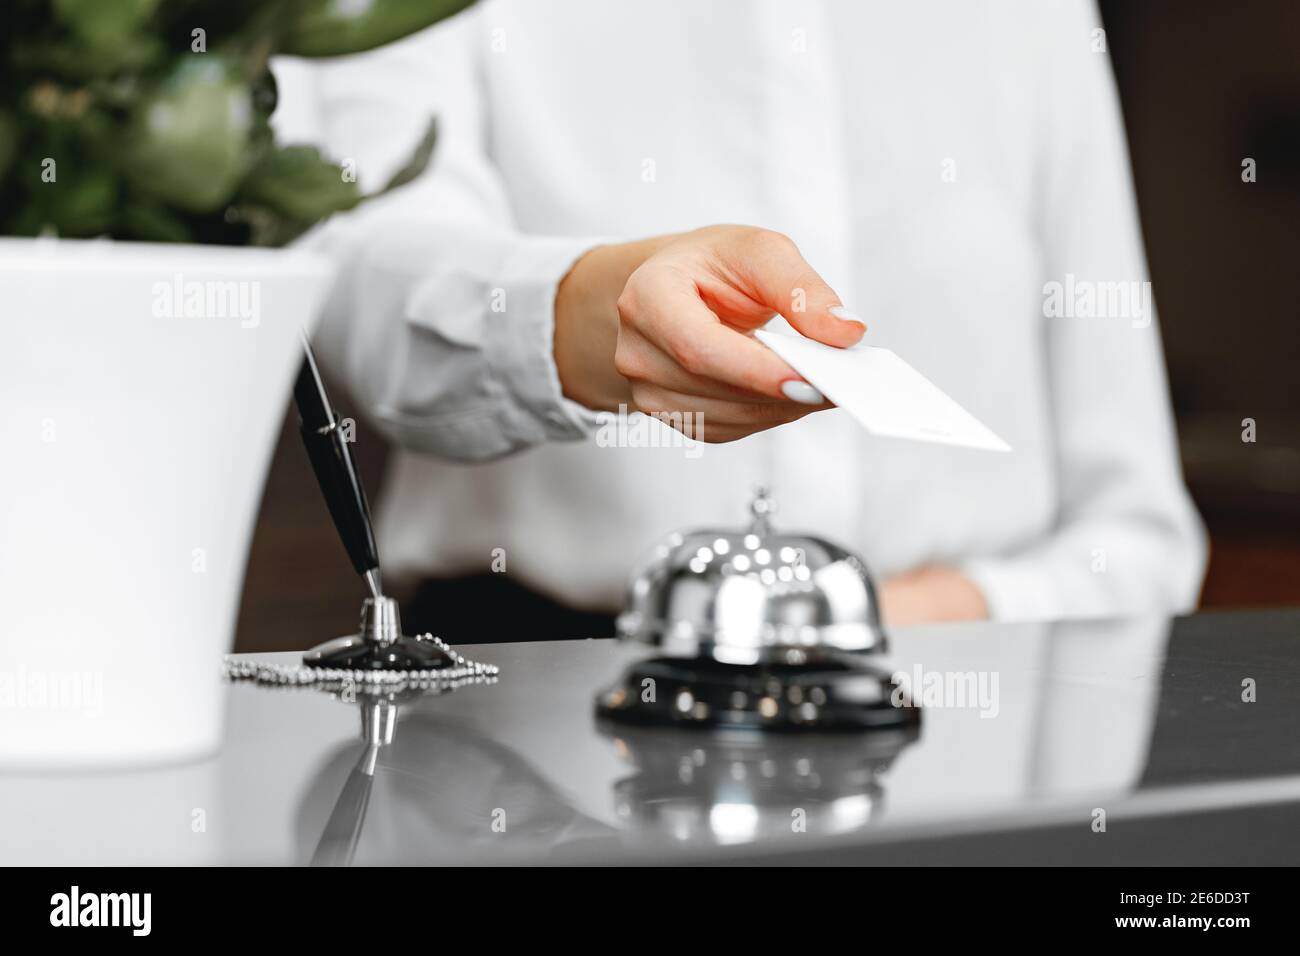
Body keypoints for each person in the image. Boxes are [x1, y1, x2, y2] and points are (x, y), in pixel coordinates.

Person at [272, 0, 1205, 638]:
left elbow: (1136, 532)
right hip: (526, 736)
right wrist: (598, 320)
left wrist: (931, 616)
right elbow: (356, 272)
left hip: (958, 731)